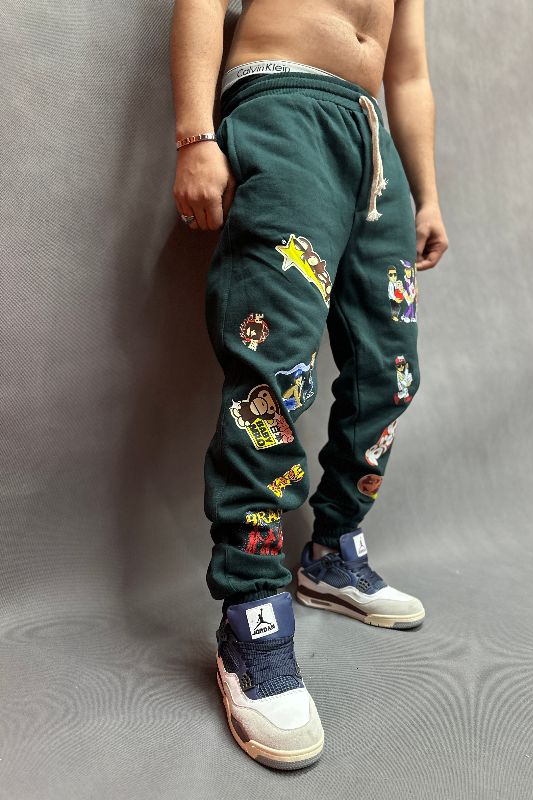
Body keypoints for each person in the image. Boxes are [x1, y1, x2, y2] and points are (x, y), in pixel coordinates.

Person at [170, 0, 448, 770]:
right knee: (275, 375)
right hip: (283, 106)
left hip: (373, 141)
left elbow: (408, 71)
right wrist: (195, 134)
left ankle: (331, 553)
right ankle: (252, 611)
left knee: (390, 371)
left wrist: (426, 191)